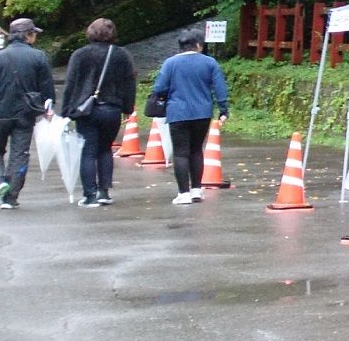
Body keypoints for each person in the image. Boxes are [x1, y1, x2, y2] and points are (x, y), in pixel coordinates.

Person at [0, 17, 56, 208]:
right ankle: (10, 198)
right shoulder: (39, 57)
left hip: (0, 112)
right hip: (26, 114)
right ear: (28, 35)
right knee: (20, 153)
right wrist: (48, 109)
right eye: (34, 33)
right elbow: (47, 87)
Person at [60, 18, 137, 207]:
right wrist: (128, 108)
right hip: (112, 109)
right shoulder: (121, 55)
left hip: (87, 110)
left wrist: (66, 110)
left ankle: (90, 195)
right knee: (105, 149)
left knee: (88, 152)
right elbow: (129, 83)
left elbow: (71, 83)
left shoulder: (80, 55)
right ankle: (104, 192)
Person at [148, 34, 229, 205]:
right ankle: (197, 190)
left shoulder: (170, 63)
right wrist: (223, 109)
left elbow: (159, 87)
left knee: (181, 152)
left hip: (177, 112)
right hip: (202, 112)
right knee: (196, 150)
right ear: (199, 45)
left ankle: (183, 193)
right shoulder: (209, 62)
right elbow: (219, 87)